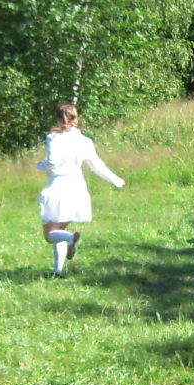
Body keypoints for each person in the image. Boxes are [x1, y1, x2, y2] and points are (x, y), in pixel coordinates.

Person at [36, 102, 124, 275]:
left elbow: (52, 162)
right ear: (76, 119)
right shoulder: (84, 141)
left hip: (58, 186)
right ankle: (58, 271)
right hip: (77, 188)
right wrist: (116, 180)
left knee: (50, 235)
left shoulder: (53, 137)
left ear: (58, 119)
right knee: (59, 230)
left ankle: (70, 239)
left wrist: (41, 165)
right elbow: (96, 166)